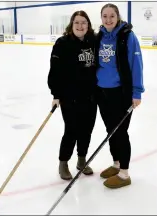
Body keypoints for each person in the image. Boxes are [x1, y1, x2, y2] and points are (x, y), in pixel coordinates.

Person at [95, 3, 145, 189]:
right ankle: (116, 164)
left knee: (121, 132)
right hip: (102, 92)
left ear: (118, 17)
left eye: (111, 16)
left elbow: (136, 64)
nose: (108, 20)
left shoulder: (127, 36)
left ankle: (124, 173)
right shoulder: (99, 36)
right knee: (111, 131)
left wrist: (137, 92)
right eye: (105, 16)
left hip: (121, 93)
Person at [47, 10, 97, 180]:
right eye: (77, 22)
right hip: (70, 97)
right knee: (71, 131)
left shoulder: (93, 41)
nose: (80, 26)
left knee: (87, 130)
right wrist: (56, 94)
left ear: (88, 25)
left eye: (84, 22)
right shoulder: (62, 43)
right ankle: (63, 162)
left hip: (90, 96)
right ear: (71, 24)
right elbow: (55, 71)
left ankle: (82, 160)